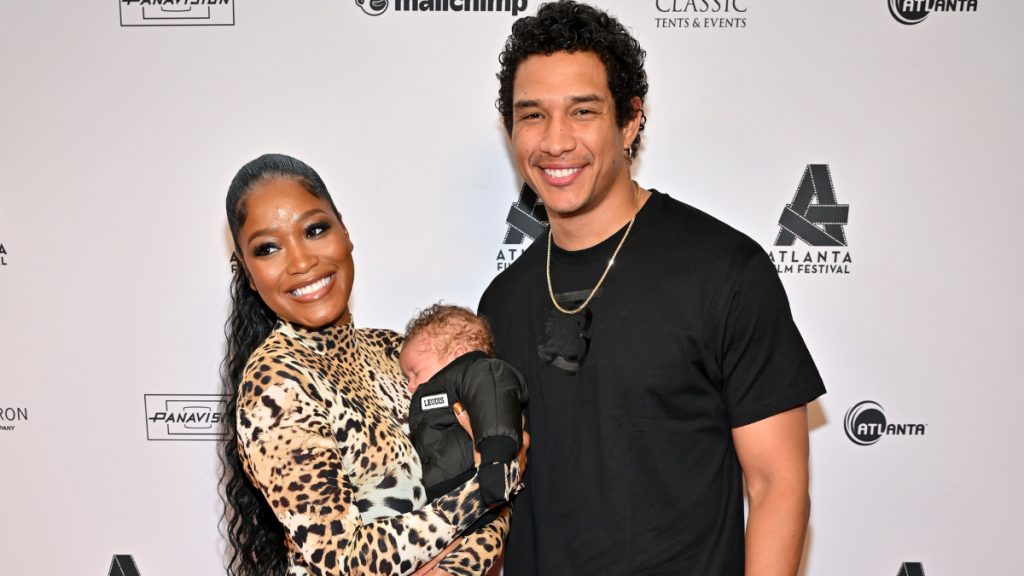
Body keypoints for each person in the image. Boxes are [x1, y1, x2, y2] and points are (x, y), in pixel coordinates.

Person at [477, 2, 827, 575]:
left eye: (582, 111)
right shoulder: (501, 301)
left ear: (630, 120)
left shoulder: (725, 270)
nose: (555, 141)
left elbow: (776, 486)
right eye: (532, 115)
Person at [218, 154, 524, 576]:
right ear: (250, 276)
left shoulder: (393, 349)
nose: (301, 262)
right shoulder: (275, 385)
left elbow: (498, 481)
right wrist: (489, 486)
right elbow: (346, 559)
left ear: (344, 231)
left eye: (314, 229)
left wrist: (457, 563)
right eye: (268, 248)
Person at [400, 304, 528, 507]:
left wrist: (495, 460)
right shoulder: (438, 392)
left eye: (416, 372)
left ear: (458, 355)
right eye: (407, 377)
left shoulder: (481, 372)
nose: (410, 385)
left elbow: (495, 404)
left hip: (480, 481)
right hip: (444, 499)